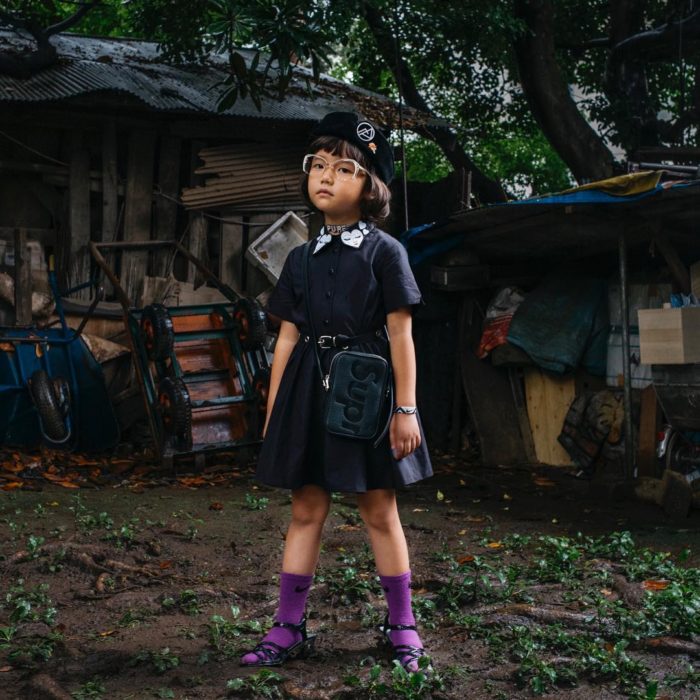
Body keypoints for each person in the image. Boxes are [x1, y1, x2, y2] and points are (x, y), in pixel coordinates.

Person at [241, 112, 433, 671]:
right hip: (307, 389)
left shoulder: (385, 253)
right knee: (306, 507)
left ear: (369, 186)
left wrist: (405, 409)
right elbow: (286, 336)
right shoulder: (300, 258)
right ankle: (286, 628)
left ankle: (402, 627)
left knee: (378, 507)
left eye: (344, 168)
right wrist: (277, 406)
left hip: (368, 391)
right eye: (318, 166)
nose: (326, 177)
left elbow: (402, 334)